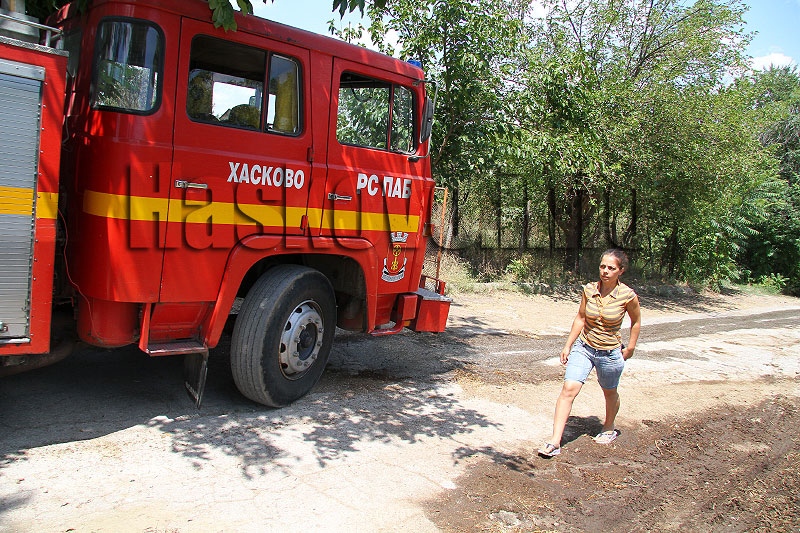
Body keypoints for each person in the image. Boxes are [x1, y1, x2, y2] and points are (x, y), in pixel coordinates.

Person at [538, 249, 641, 457]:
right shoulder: (589, 290)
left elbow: (636, 321)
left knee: (609, 391)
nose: (605, 271)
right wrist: (568, 345)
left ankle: (609, 427)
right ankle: (555, 441)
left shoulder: (627, 296)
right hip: (584, 348)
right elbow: (581, 318)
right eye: (603, 266)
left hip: (610, 352)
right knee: (569, 388)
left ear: (620, 271)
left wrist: (630, 347)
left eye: (611, 268)